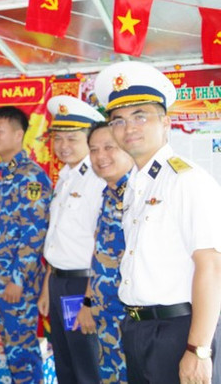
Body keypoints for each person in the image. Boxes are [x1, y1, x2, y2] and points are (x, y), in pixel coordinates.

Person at [94, 61, 221, 384]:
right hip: (139, 327)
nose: (129, 128)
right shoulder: (138, 185)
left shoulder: (186, 180)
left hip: (179, 331)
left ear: (166, 122)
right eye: (119, 120)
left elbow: (211, 265)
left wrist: (198, 349)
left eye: (141, 116)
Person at [39, 95, 105, 384]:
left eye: (73, 138)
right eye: (58, 138)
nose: (63, 145)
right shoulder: (65, 177)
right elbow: (58, 241)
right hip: (59, 283)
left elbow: (100, 246)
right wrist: (46, 288)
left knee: (86, 365)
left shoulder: (97, 180)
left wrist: (89, 301)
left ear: (89, 139)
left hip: (83, 285)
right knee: (64, 361)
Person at [0, 106, 52, 384]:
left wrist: (17, 279)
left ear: (18, 134)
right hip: (4, 276)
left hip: (17, 280)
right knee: (14, 348)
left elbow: (33, 232)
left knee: (21, 351)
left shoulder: (30, 176)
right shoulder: (7, 175)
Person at [74, 121, 134, 383]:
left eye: (108, 147)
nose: (100, 156)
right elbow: (99, 256)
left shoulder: (139, 194)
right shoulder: (108, 194)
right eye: (94, 149)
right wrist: (88, 301)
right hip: (105, 315)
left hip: (131, 320)